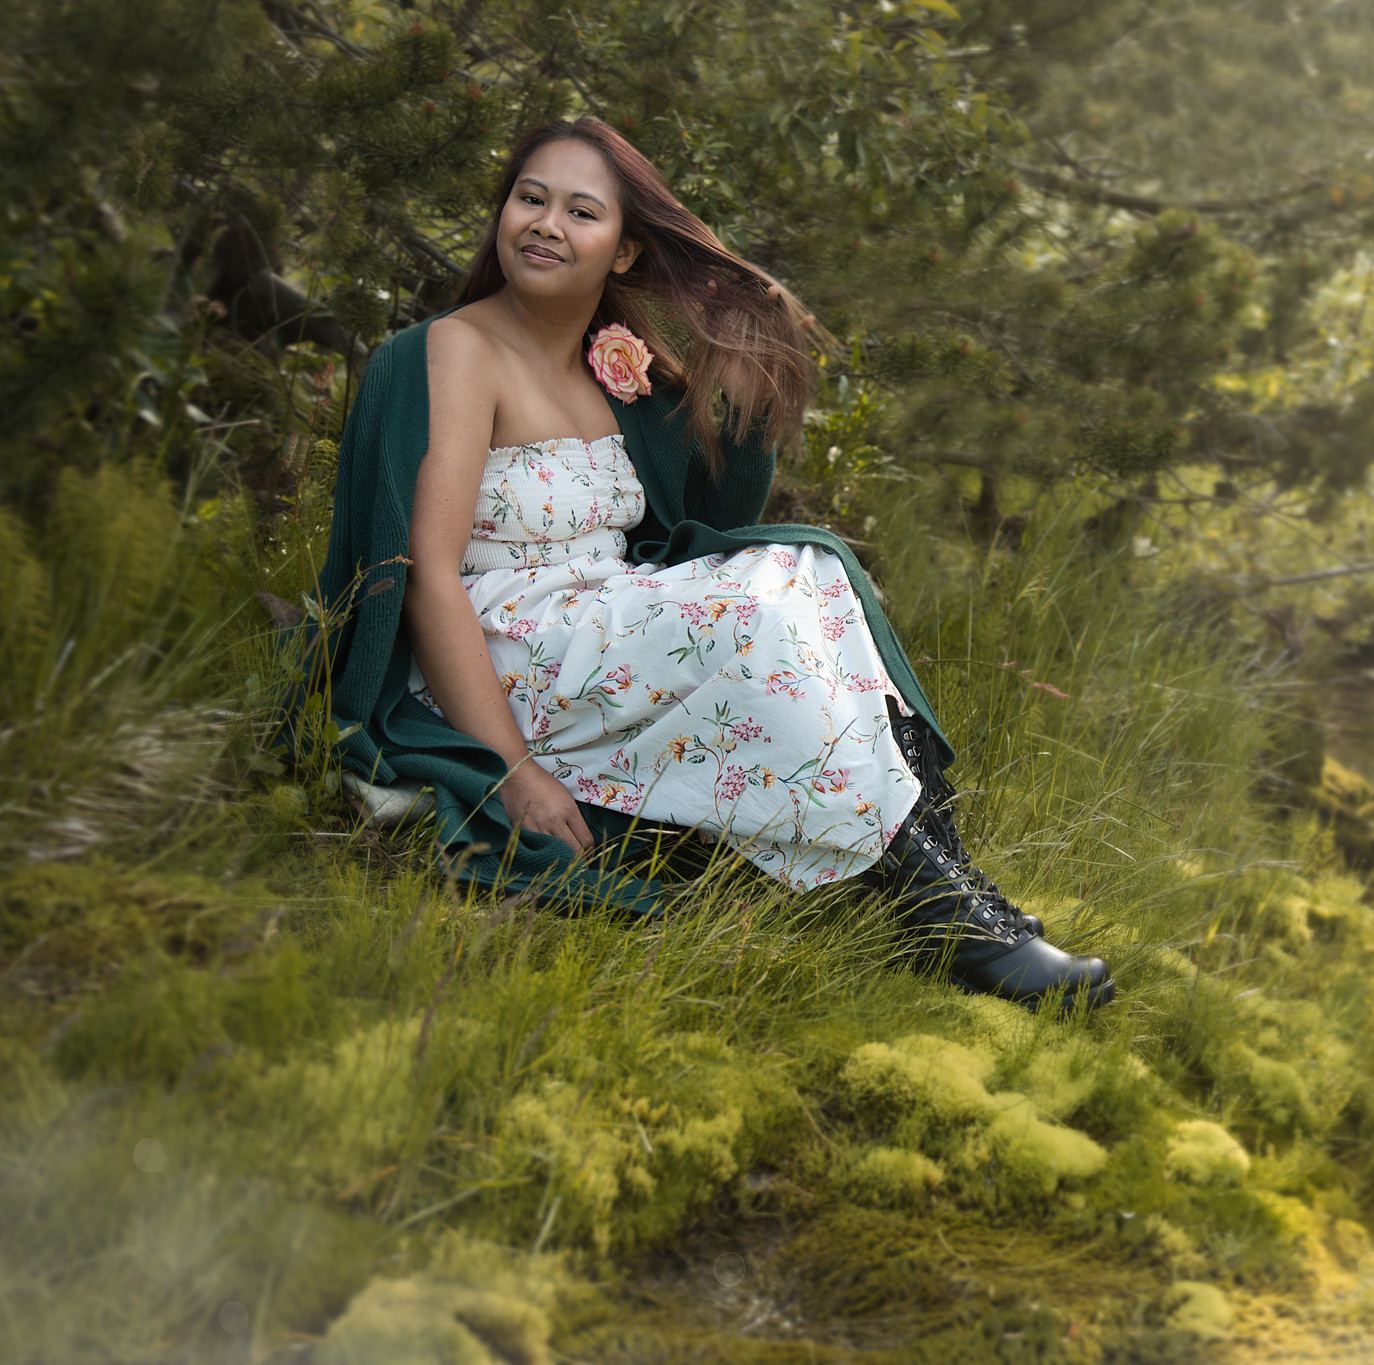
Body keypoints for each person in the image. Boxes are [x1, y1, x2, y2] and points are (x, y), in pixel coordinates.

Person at [304, 116, 1112, 1013]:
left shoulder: (610, 363)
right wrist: (511, 773)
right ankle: (949, 918)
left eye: (580, 211)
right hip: (504, 651)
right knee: (757, 609)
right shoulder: (457, 350)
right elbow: (427, 572)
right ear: (502, 213)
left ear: (622, 251)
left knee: (809, 573)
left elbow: (698, 521)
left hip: (604, 624)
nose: (545, 224)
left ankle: (940, 878)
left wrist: (744, 388)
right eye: (530, 198)